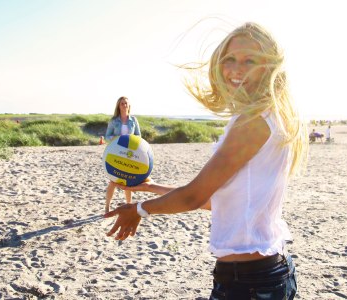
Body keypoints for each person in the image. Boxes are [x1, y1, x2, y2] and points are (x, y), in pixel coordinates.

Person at [105, 22, 305, 299]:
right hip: (266, 273)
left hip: (249, 283)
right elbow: (218, 200)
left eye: (250, 60)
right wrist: (152, 188)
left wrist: (138, 210)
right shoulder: (271, 116)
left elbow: (194, 197)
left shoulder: (252, 122)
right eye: (230, 59)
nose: (236, 69)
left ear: (269, 66)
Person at [104, 96, 142, 213]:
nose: (124, 105)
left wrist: (131, 139)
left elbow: (139, 136)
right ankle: (107, 206)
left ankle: (129, 204)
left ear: (129, 106)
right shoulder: (114, 121)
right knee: (113, 181)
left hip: (129, 154)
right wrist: (118, 138)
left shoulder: (133, 120)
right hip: (115, 153)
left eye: (126, 103)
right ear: (118, 106)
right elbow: (106, 137)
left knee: (128, 181)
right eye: (122, 103)